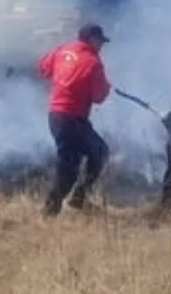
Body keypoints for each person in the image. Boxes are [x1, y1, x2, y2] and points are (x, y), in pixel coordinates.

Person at [37, 23, 112, 216]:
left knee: (70, 162)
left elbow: (43, 68)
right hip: (73, 119)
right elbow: (99, 97)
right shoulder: (93, 62)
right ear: (92, 40)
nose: (102, 45)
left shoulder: (62, 50)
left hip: (55, 116)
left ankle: (60, 206)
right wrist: (107, 87)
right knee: (98, 152)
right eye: (100, 41)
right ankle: (72, 201)